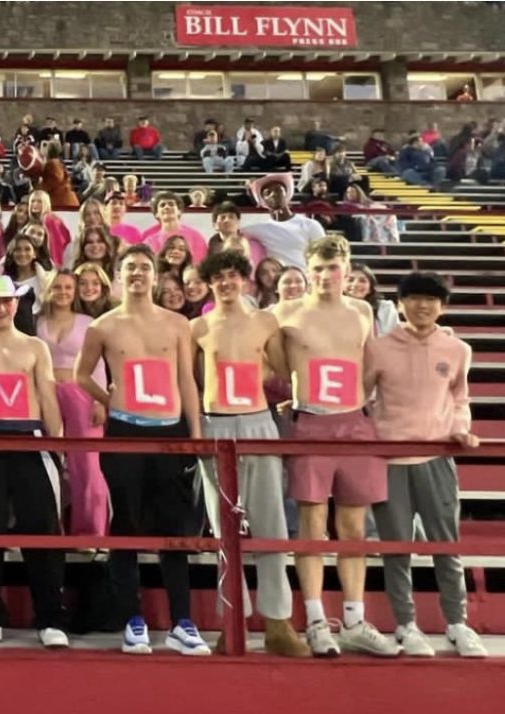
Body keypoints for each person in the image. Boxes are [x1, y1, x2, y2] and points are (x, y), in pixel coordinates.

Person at [74, 244, 210, 656]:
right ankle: (132, 618)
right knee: (127, 524)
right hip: (125, 431)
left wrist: (196, 432)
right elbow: (81, 375)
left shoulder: (177, 324)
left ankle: (182, 621)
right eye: (129, 267)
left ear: (156, 276)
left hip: (170, 431)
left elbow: (187, 380)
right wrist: (107, 397)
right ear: (118, 275)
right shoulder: (102, 326)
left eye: (144, 268)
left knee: (174, 529)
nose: (137, 273)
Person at [272, 234, 400, 657]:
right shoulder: (284, 312)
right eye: (319, 268)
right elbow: (267, 360)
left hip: (354, 423)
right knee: (311, 525)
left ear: (347, 269)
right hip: (310, 423)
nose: (326, 275)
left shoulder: (363, 310)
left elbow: (369, 364)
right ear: (308, 270)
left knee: (352, 527)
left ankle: (354, 618)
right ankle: (313, 619)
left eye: (334, 267)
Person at [189, 250, 310, 657]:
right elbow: (190, 380)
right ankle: (231, 621)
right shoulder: (198, 327)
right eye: (218, 277)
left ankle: (278, 622)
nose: (226, 283)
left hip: (257, 421)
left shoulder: (265, 321)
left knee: (271, 525)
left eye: (232, 276)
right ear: (208, 283)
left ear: (245, 280)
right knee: (225, 532)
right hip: (215, 425)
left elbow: (282, 370)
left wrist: (254, 374)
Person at [365, 272, 487, 658]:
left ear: (442, 306)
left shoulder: (457, 349)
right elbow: (361, 397)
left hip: (437, 458)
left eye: (431, 300)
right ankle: (406, 625)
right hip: (389, 460)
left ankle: (457, 624)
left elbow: (460, 398)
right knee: (396, 549)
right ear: (400, 304)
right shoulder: (378, 347)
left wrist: (460, 430)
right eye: (414, 298)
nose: (422, 306)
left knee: (446, 546)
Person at [0, 275, 69, 649]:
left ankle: (50, 615)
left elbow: (48, 397)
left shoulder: (36, 347)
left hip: (32, 437)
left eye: (6, 301)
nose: (0, 308)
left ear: (17, 304)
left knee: (44, 527)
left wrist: (59, 446)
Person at [37, 271, 108, 536]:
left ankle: (90, 531)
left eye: (68, 287)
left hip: (81, 394)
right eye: (57, 287)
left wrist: (101, 401)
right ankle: (50, 529)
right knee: (47, 460)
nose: (63, 292)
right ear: (49, 290)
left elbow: (97, 363)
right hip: (45, 393)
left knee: (86, 464)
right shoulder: (36, 322)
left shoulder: (88, 322)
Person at [242, 173, 326, 270]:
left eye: (278, 190)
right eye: (267, 193)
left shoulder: (310, 225)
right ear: (263, 201)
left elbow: (323, 256)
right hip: (279, 282)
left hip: (305, 280)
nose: (273, 194)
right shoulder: (259, 228)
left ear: (286, 193)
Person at [142, 191, 208, 263]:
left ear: (179, 211)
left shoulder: (195, 236)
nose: (167, 207)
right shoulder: (150, 241)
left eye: (171, 204)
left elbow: (201, 263)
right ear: (156, 214)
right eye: (162, 205)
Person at [344, 265, 399, 336]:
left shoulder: (385, 308)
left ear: (370, 289)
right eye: (350, 280)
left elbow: (393, 337)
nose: (355, 284)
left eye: (362, 281)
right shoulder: (332, 309)